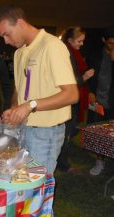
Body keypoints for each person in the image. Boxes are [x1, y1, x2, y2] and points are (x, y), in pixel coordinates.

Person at [0, 5, 79, 175]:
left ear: (20, 23)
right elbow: (19, 90)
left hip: (46, 132)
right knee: (23, 179)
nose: (5, 41)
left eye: (6, 34)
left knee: (38, 185)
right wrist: (14, 109)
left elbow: (71, 94)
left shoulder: (51, 46)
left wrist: (30, 105)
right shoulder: (19, 53)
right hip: (25, 128)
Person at [57, 26, 95, 172]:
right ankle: (63, 163)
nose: (81, 44)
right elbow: (68, 79)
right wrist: (84, 77)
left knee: (70, 130)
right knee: (67, 132)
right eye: (79, 41)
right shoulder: (67, 53)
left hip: (75, 97)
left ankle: (62, 160)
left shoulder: (73, 53)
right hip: (70, 98)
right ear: (70, 40)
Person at [86, 26, 114, 176]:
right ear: (104, 40)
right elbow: (89, 74)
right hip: (98, 100)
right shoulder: (95, 54)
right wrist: (90, 91)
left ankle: (109, 155)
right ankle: (100, 160)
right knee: (98, 131)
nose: (112, 46)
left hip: (112, 101)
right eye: (110, 43)